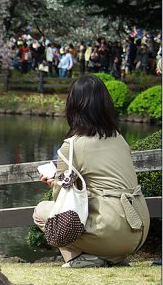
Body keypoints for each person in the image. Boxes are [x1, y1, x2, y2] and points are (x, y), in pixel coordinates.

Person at [33, 75, 150, 268]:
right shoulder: (120, 139)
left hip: (112, 232)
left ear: (73, 106)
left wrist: (55, 183)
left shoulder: (72, 146)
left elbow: (62, 205)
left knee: (42, 211)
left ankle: (79, 259)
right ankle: (110, 257)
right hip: (139, 229)